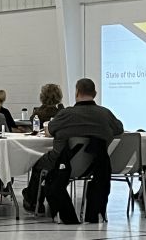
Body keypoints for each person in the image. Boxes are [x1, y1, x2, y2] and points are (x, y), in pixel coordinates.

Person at [22, 78, 124, 213]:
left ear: (77, 93)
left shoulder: (66, 114)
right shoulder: (105, 114)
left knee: (38, 165)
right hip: (93, 166)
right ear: (95, 93)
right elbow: (119, 129)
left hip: (62, 164)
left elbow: (50, 130)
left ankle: (33, 200)